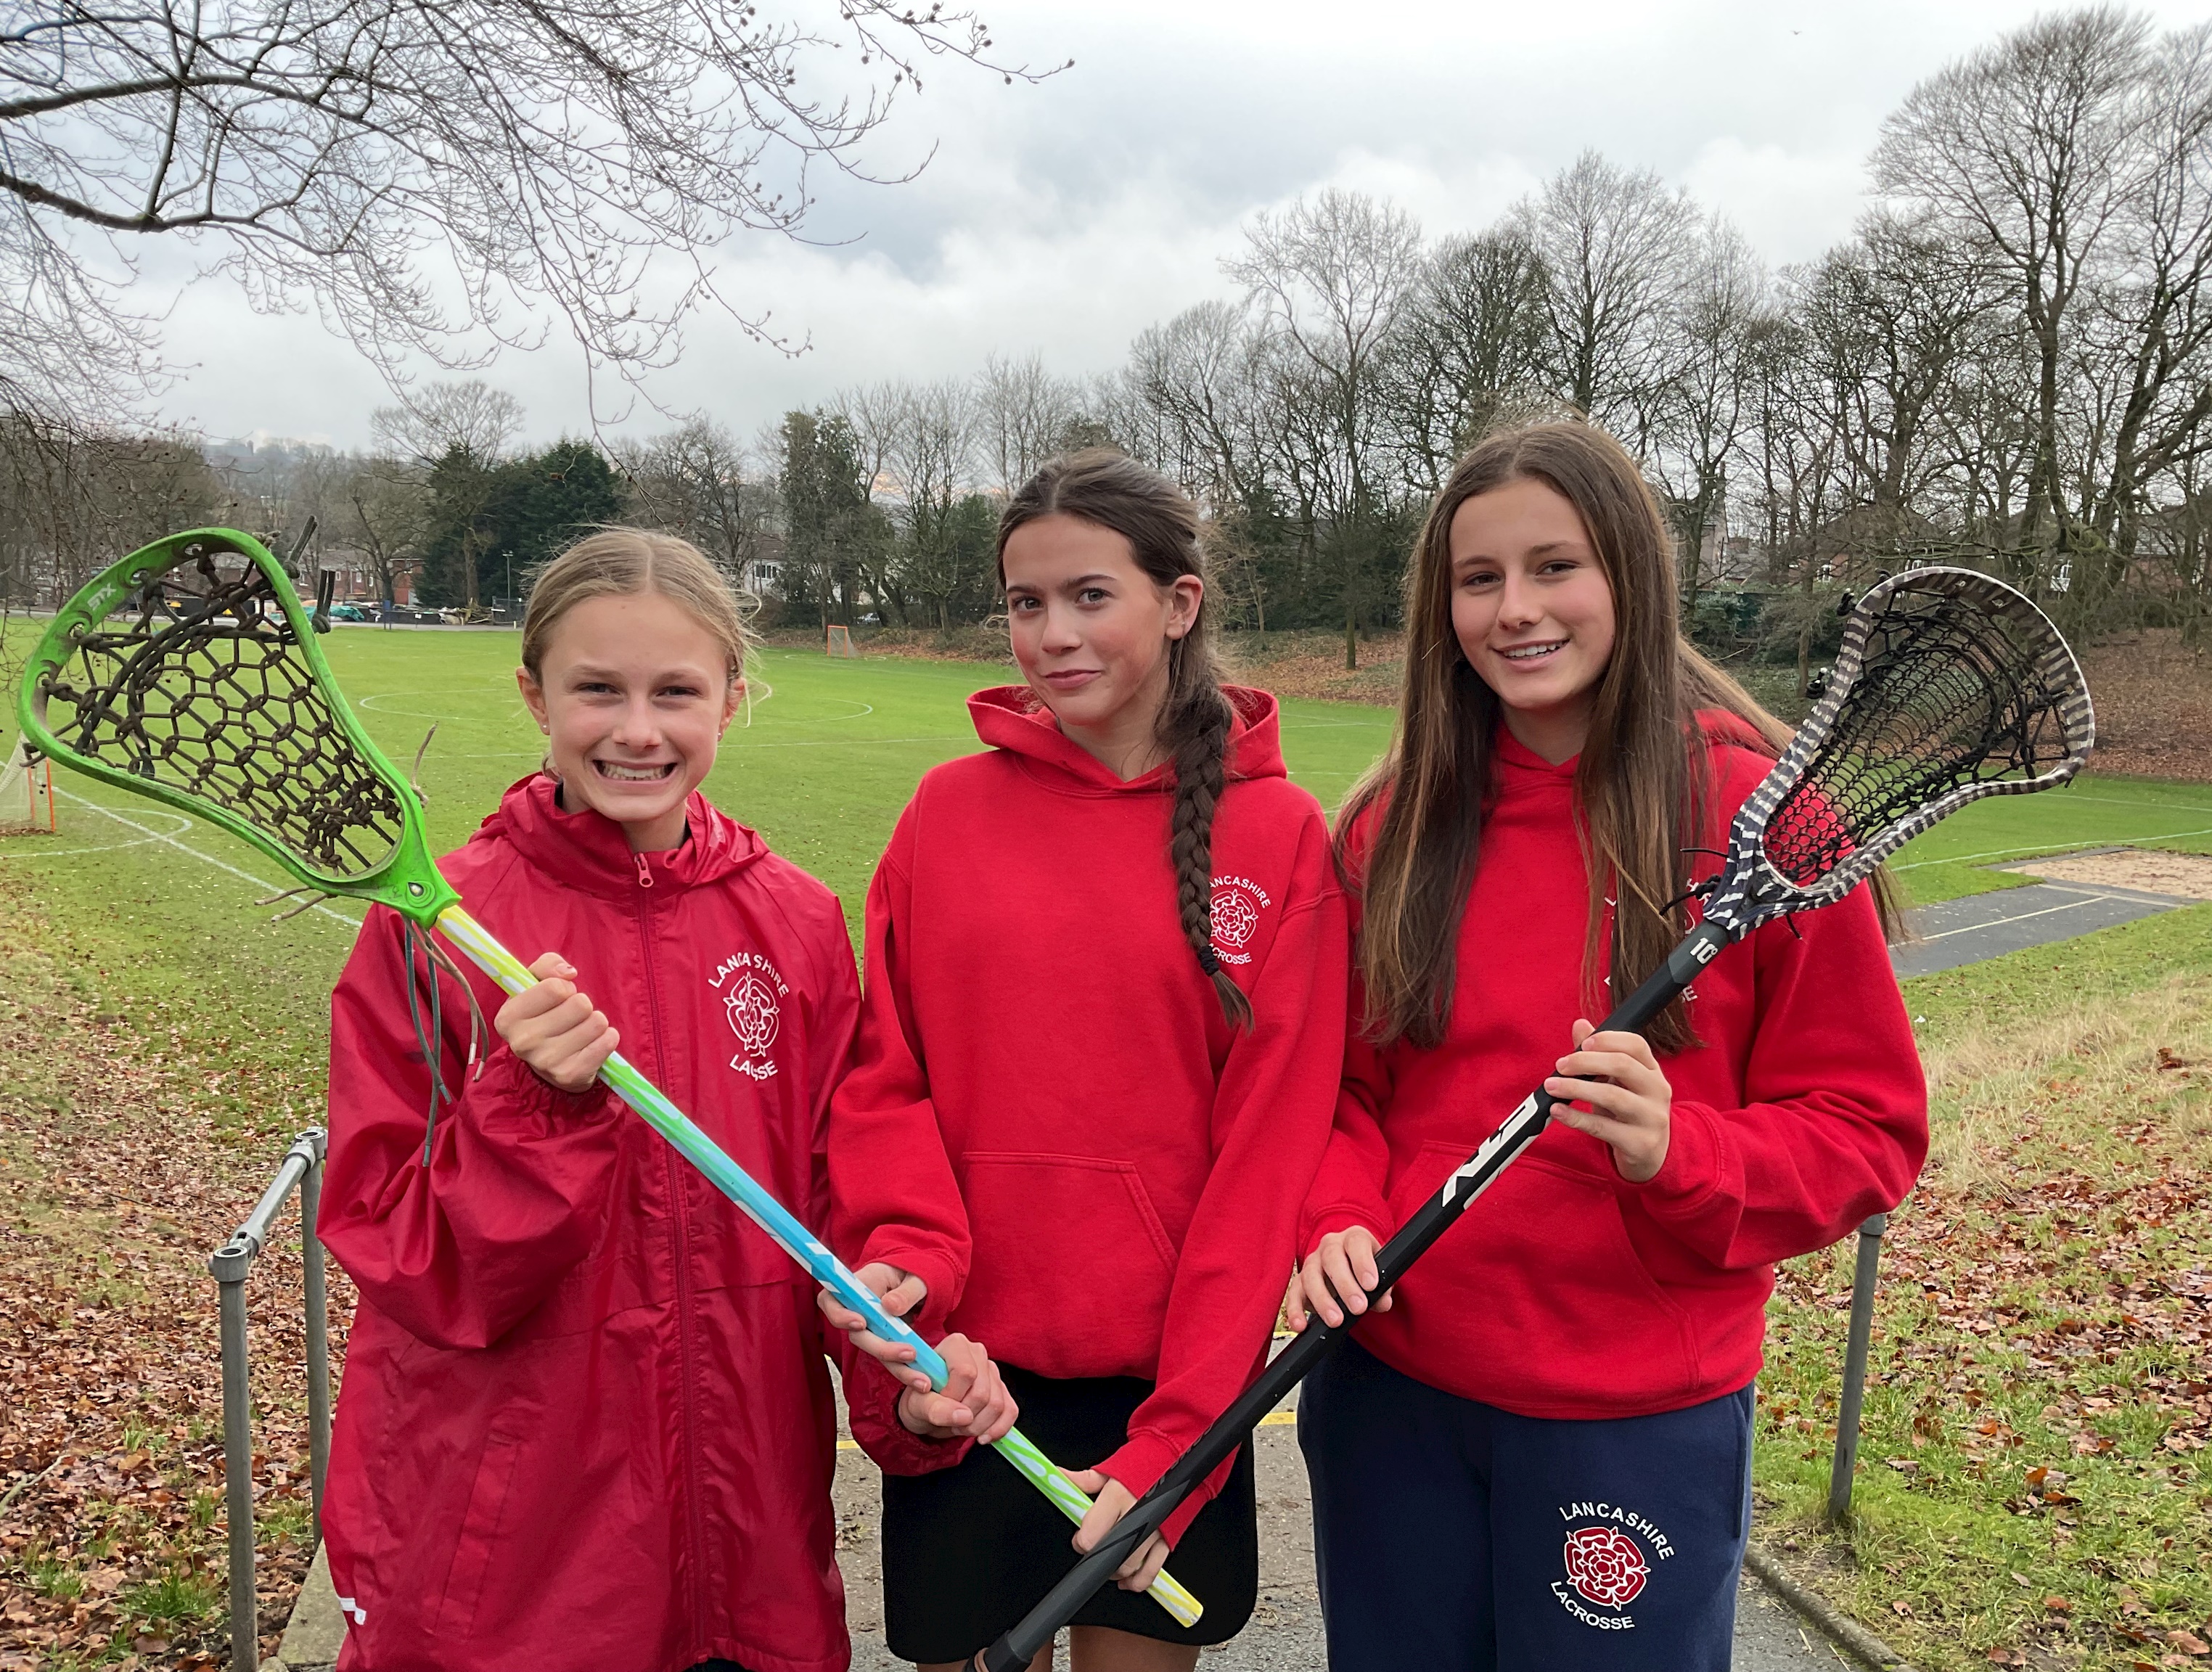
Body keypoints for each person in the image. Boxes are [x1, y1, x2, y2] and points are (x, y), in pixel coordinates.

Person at [1285, 424, 1928, 1672]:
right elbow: (1340, 1092)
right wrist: (1335, 1214)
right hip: (1394, 1394)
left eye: (1555, 567)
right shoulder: (1391, 825)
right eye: (1481, 580)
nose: (1516, 610)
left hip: (1633, 1422)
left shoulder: (1761, 816)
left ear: (1630, 576)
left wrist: (1679, 1149)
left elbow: (1870, 1130)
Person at [318, 529, 1015, 1672]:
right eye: (597, 689)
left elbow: (848, 1207)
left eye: (676, 692)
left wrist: (908, 1370)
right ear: (533, 691)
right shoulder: (443, 931)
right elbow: (404, 1260)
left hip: (750, 1545)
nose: (637, 731)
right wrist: (533, 1111)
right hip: (509, 1563)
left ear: (732, 700)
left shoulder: (793, 921)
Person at [822, 452, 1348, 1672]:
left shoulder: (1279, 836)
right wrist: (907, 1275)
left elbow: (1266, 1166)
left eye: (1090, 596)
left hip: (1168, 1392)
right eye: (1024, 602)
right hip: (966, 1379)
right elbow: (882, 1082)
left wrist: (1180, 1443)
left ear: (1181, 602)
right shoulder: (944, 816)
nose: (1051, 634)